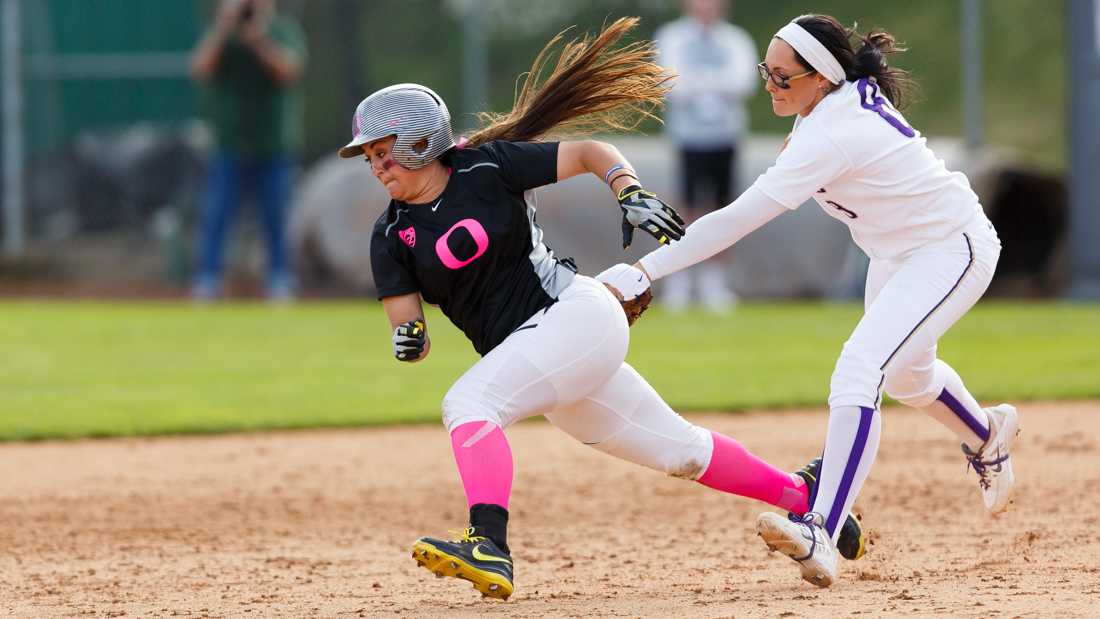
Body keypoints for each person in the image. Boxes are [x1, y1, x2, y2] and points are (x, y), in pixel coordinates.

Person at [341, 18, 865, 601]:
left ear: (419, 140)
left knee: (468, 403)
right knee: (683, 451)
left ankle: (489, 543)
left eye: (383, 151)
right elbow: (405, 319)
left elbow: (592, 151)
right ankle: (813, 499)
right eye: (370, 157)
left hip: (573, 316)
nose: (376, 165)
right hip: (546, 359)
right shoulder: (390, 235)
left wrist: (629, 189)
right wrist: (407, 336)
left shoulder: (485, 168)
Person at [601, 14, 1018, 588]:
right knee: (906, 378)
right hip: (897, 255)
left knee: (860, 369)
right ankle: (985, 433)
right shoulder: (827, 107)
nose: (769, 85)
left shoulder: (831, 132)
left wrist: (644, 270)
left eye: (781, 76)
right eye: (765, 73)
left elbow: (736, 220)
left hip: (951, 249)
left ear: (820, 77)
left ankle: (822, 526)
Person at [189, 0, 306, 300]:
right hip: (229, 144)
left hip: (273, 144)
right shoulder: (224, 35)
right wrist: (223, 26)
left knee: (276, 215)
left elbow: (288, 72)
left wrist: (259, 40)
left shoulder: (282, 30)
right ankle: (208, 279)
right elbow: (200, 69)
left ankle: (279, 278)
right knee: (217, 214)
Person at [655, 0, 757, 312]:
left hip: (725, 136)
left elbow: (745, 82)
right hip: (688, 137)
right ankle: (679, 279)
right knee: (685, 206)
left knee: (724, 207)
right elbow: (670, 83)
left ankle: (715, 281)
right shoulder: (672, 37)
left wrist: (698, 81)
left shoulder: (736, 39)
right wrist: (714, 83)